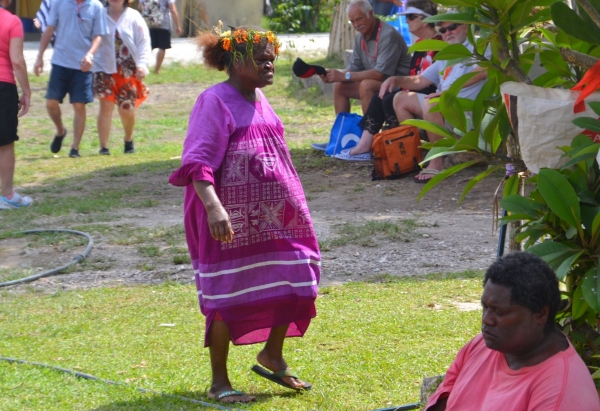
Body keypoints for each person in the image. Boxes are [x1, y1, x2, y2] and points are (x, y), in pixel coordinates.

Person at [168, 26, 320, 404]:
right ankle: (220, 382)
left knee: (297, 270)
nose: (270, 63)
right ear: (236, 61)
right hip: (228, 218)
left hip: (275, 215)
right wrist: (214, 206)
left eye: (272, 56)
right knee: (226, 292)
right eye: (261, 58)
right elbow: (198, 159)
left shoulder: (260, 98)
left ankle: (272, 353)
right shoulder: (214, 100)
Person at [426, 252, 600, 411]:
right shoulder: (480, 346)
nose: (486, 319)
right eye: (485, 307)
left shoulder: (561, 392)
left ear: (541, 313)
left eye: (499, 312)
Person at [379, 19, 490, 182]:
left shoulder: (479, 46)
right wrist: (394, 79)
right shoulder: (447, 55)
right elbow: (420, 80)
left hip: (466, 113)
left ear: (465, 26)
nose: (447, 33)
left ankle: (437, 161)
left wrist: (448, 92)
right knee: (400, 98)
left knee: (432, 103)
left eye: (452, 27)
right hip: (444, 107)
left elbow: (482, 72)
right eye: (443, 30)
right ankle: (413, 157)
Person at [334, 0, 440, 162]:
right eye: (406, 17)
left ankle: (401, 147)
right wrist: (337, 74)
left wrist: (397, 82)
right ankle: (359, 142)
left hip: (430, 97)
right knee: (379, 97)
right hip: (412, 91)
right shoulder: (420, 45)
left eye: (411, 17)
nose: (406, 21)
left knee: (384, 94)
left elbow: (381, 75)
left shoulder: (438, 45)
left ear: (426, 20)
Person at [34, 0, 108, 158]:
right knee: (51, 102)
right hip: (60, 61)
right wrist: (39, 56)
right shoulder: (59, 3)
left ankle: (75, 148)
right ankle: (60, 130)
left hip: (83, 65)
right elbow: (49, 29)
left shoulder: (96, 6)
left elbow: (98, 36)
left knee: (79, 105)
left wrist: (90, 54)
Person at [321, 0, 411, 117]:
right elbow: (354, 68)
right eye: (352, 21)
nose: (356, 25)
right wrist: (334, 75)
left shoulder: (388, 35)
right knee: (339, 85)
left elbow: (380, 74)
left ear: (371, 14)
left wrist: (345, 76)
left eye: (359, 19)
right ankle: (342, 130)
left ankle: (368, 130)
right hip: (381, 84)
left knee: (366, 85)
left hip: (399, 86)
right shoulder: (360, 37)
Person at [93, 0, 151, 155]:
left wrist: (142, 64)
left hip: (127, 70)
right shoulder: (99, 15)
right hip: (104, 67)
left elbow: (143, 42)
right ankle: (104, 147)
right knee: (105, 106)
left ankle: (128, 139)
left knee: (126, 108)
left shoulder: (133, 16)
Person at [0, 0, 32, 209]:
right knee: (5, 143)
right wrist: (26, 91)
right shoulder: (12, 21)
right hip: (3, 86)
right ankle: (6, 195)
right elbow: (17, 61)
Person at [138, 0, 181, 74]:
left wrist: (150, 13)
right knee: (162, 47)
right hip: (163, 23)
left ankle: (142, 67)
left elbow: (140, 7)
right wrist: (178, 26)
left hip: (148, 23)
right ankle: (157, 70)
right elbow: (173, 9)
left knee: (148, 47)